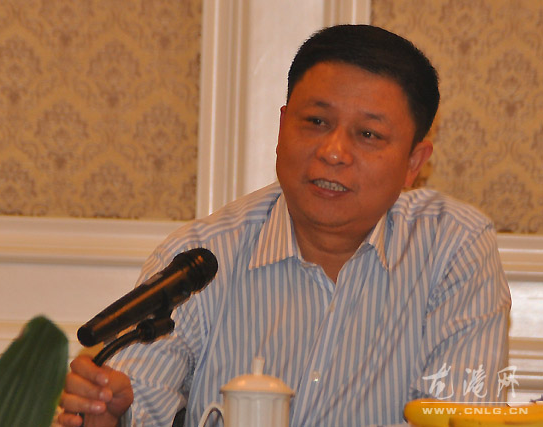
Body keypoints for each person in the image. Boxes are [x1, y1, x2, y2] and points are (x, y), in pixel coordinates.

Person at [58, 25, 511, 427]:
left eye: (368, 134)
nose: (333, 151)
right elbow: (136, 398)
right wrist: (110, 416)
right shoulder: (202, 259)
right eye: (316, 121)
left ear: (414, 162)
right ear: (281, 126)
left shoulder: (452, 247)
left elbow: (458, 417)